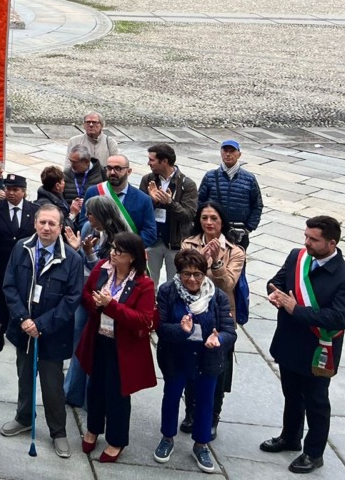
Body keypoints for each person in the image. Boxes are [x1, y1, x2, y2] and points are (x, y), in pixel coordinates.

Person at [261, 216, 345, 474]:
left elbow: (339, 318)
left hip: (318, 350)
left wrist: (296, 309)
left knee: (316, 403)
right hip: (289, 342)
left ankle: (314, 453)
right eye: (305, 236)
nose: (306, 242)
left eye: (313, 239)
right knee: (291, 394)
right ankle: (290, 437)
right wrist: (274, 292)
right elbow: (277, 281)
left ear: (331, 243)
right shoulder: (298, 257)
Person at [0, 204, 84, 459]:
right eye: (42, 222)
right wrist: (24, 319)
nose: (46, 228)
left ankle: (58, 431)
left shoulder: (72, 259)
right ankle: (24, 417)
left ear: (61, 228)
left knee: (52, 385)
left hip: (53, 334)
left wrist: (42, 324)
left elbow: (72, 299)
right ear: (35, 223)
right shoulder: (21, 248)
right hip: (23, 329)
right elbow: (9, 286)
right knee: (24, 376)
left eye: (52, 224)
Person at [76, 232, 157, 463]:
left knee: (117, 394)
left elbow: (142, 319)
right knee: (94, 388)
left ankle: (116, 440)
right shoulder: (102, 268)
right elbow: (86, 293)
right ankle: (92, 428)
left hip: (123, 348)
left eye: (118, 251)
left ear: (132, 257)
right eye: (112, 248)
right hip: (98, 339)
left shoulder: (144, 284)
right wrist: (97, 304)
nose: (112, 253)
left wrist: (110, 306)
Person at [155, 249, 236, 473]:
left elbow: (230, 330)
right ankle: (167, 438)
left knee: (205, 401)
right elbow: (160, 327)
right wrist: (180, 330)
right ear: (178, 274)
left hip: (207, 358)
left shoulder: (216, 296)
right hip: (177, 356)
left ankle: (201, 445)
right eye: (186, 274)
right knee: (171, 397)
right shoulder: (168, 292)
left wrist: (218, 339)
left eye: (198, 274)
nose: (192, 279)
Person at [177, 201, 245, 438]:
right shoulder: (189, 243)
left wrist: (215, 263)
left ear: (222, 221)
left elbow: (228, 284)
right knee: (190, 364)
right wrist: (199, 260)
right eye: (205, 218)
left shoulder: (235, 251)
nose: (209, 223)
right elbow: (183, 275)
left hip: (219, 314)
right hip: (192, 312)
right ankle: (191, 411)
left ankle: (213, 415)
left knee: (216, 367)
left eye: (214, 218)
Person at [0, 174, 36, 327]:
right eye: (8, 189)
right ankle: (2, 323)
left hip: (24, 263)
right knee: (1, 294)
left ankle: (20, 321)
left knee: (22, 293)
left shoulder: (34, 210)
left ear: (23, 191)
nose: (11, 193)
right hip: (0, 263)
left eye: (15, 189)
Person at [141, 143, 199, 286]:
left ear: (164, 161)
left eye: (152, 160)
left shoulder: (187, 184)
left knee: (175, 284)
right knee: (147, 283)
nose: (149, 163)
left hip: (175, 243)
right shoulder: (147, 180)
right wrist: (152, 201)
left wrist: (170, 203)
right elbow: (139, 210)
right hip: (152, 241)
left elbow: (188, 215)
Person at [82, 155, 158, 248]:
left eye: (118, 168)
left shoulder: (143, 199)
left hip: (130, 253)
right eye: (109, 168)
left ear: (129, 171)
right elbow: (84, 221)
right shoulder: (93, 192)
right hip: (99, 250)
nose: (113, 172)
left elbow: (150, 232)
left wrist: (130, 249)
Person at [197, 140, 263, 245]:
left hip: (239, 233)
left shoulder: (249, 179)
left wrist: (249, 227)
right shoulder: (210, 176)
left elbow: (257, 205)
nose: (228, 154)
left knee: (237, 260)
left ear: (239, 154)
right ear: (221, 153)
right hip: (213, 230)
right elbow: (199, 202)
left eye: (232, 151)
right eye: (225, 151)